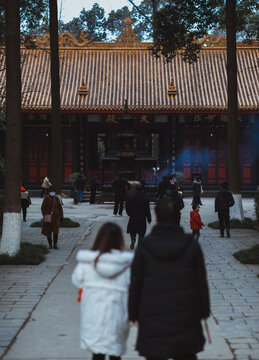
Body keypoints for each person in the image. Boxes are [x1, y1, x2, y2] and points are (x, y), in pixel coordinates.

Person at [128, 199, 210, 360]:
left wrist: (133, 313)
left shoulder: (145, 247)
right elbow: (201, 282)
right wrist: (204, 311)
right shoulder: (191, 245)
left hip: (153, 317)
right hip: (185, 316)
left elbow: (136, 284)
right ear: (177, 217)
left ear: (156, 218)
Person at [71, 222, 134, 360]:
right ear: (120, 240)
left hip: (93, 317)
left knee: (97, 354)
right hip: (117, 319)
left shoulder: (87, 263)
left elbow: (76, 280)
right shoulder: (126, 266)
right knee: (115, 354)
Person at [126, 184, 152, 250]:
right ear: (142, 190)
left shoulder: (131, 197)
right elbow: (147, 210)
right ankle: (140, 245)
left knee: (132, 230)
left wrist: (129, 214)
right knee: (141, 232)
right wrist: (149, 219)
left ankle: (133, 239)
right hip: (142, 218)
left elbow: (127, 207)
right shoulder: (145, 198)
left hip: (133, 216)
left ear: (136, 189)